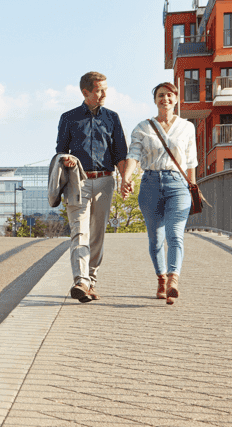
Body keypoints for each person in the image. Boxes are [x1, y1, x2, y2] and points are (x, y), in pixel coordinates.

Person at [120, 82, 197, 305]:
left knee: (175, 234)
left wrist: (192, 188)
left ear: (176, 99)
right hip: (150, 184)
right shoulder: (143, 127)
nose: (165, 99)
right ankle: (161, 279)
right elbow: (133, 155)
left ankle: (174, 280)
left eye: (170, 95)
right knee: (156, 239)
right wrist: (126, 176)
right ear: (155, 100)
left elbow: (191, 161)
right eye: (161, 95)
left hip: (177, 185)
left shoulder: (187, 127)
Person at [55, 71, 129, 302]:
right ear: (85, 93)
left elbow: (121, 154)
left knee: (97, 235)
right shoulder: (68, 118)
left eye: (105, 88)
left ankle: (91, 280)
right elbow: (60, 150)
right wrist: (65, 159)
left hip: (106, 181)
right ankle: (81, 281)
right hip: (79, 181)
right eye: (99, 90)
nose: (104, 94)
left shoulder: (112, 118)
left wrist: (126, 179)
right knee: (79, 231)